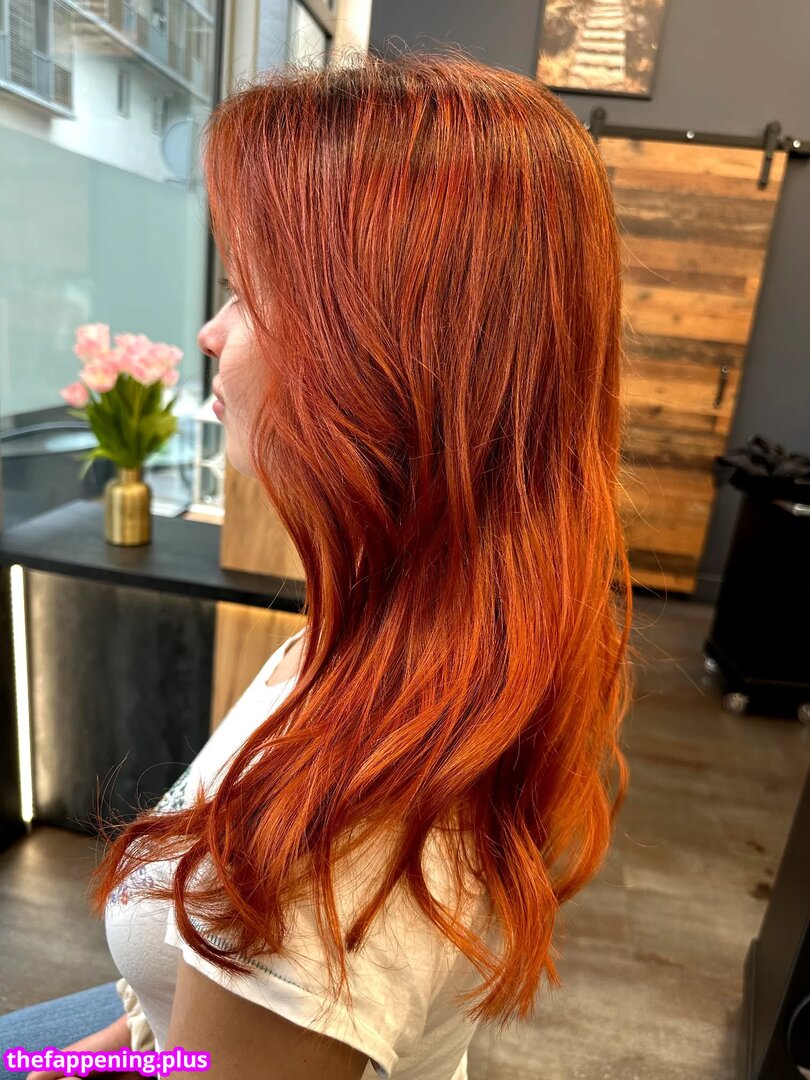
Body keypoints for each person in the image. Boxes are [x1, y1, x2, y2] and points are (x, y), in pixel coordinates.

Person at [1, 45, 634, 1080]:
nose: (210, 332)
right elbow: (163, 1026)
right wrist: (70, 1062)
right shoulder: (393, 648)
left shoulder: (339, 842)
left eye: (244, 295)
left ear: (376, 359)